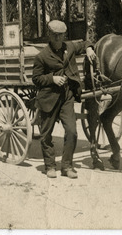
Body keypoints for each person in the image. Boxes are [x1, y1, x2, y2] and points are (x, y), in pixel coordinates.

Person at [32, 20, 96, 179]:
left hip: (66, 96)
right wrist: (52, 79)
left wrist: (89, 49)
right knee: (46, 134)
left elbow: (84, 42)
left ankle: (67, 166)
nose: (58, 39)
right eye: (55, 35)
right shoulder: (42, 57)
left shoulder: (70, 47)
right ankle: (50, 166)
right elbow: (36, 78)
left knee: (72, 131)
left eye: (61, 35)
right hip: (48, 98)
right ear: (50, 35)